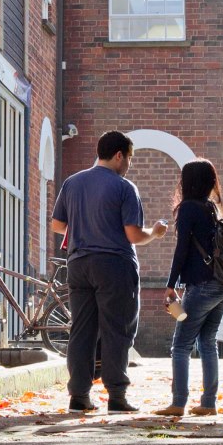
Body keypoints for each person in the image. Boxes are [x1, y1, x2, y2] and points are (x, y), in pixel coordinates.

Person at [50, 130, 168, 412]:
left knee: (81, 330)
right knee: (117, 329)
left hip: (78, 264)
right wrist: (156, 232)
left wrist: (84, 227)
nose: (129, 164)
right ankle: (116, 395)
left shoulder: (73, 183)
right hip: (115, 264)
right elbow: (134, 235)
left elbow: (57, 224)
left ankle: (79, 395)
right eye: (129, 158)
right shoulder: (124, 187)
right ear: (118, 156)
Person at [158, 158, 223, 418]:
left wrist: (170, 285)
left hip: (201, 287)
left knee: (181, 345)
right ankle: (208, 403)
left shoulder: (189, 209)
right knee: (208, 341)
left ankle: (178, 402)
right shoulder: (212, 209)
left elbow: (182, 251)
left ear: (186, 182)